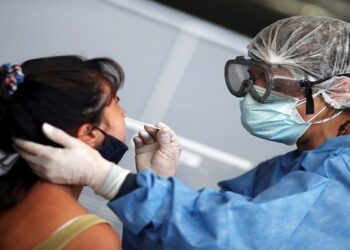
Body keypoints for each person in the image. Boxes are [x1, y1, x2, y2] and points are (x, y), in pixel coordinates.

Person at [15, 16, 350, 249]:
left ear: (337, 91)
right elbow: (195, 238)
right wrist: (157, 183)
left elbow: (239, 239)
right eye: (252, 79)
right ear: (86, 133)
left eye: (271, 84)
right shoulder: (290, 169)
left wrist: (115, 181)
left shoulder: (340, 176)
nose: (252, 95)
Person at [0, 55, 179, 250]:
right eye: (116, 102)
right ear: (88, 134)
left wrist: (155, 182)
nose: (124, 113)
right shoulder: (91, 239)